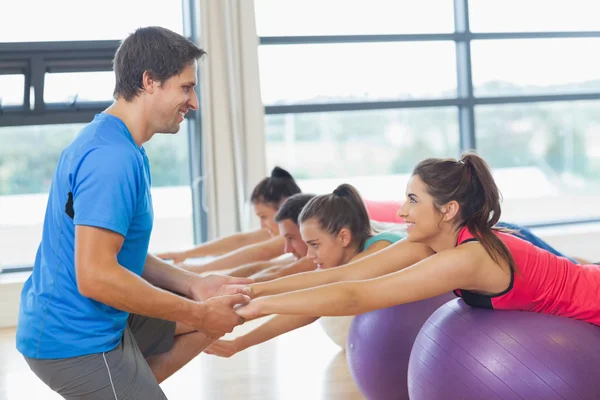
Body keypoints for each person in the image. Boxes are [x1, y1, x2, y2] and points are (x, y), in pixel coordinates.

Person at [16, 27, 252, 400]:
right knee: (202, 319)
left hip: (90, 318)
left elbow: (116, 255)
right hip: (76, 338)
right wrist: (199, 313)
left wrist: (193, 285)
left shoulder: (121, 145)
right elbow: (95, 277)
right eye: (186, 88)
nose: (193, 102)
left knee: (210, 319)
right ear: (149, 81)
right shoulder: (112, 159)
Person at [234, 153, 600, 328]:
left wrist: (264, 307)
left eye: (412, 201)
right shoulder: (433, 241)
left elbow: (357, 297)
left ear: (447, 209)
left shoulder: (467, 258)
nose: (403, 212)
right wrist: (253, 290)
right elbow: (347, 276)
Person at [204, 184, 404, 357]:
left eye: (315, 245)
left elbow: (323, 289)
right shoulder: (347, 258)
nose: (309, 255)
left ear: (343, 237)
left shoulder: (378, 250)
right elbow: (308, 310)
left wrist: (256, 295)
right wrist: (239, 343)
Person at [169, 167, 302, 274]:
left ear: (284, 205)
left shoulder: (298, 231)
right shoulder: (282, 230)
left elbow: (263, 252)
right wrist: (187, 254)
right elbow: (242, 240)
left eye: (264, 217)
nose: (262, 225)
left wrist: (199, 270)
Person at [227, 193, 317, 282]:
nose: (287, 250)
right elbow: (262, 267)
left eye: (291, 238)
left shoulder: (315, 260)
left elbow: (278, 273)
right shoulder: (305, 257)